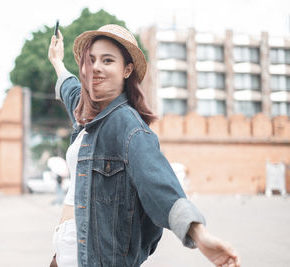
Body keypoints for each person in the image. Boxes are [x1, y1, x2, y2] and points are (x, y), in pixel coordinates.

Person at [48, 24, 241, 267]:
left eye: (107, 61)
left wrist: (200, 236)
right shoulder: (85, 112)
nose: (96, 67)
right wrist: (57, 61)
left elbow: (160, 185)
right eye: (92, 59)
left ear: (127, 69)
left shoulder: (128, 127)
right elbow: (69, 88)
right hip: (64, 256)